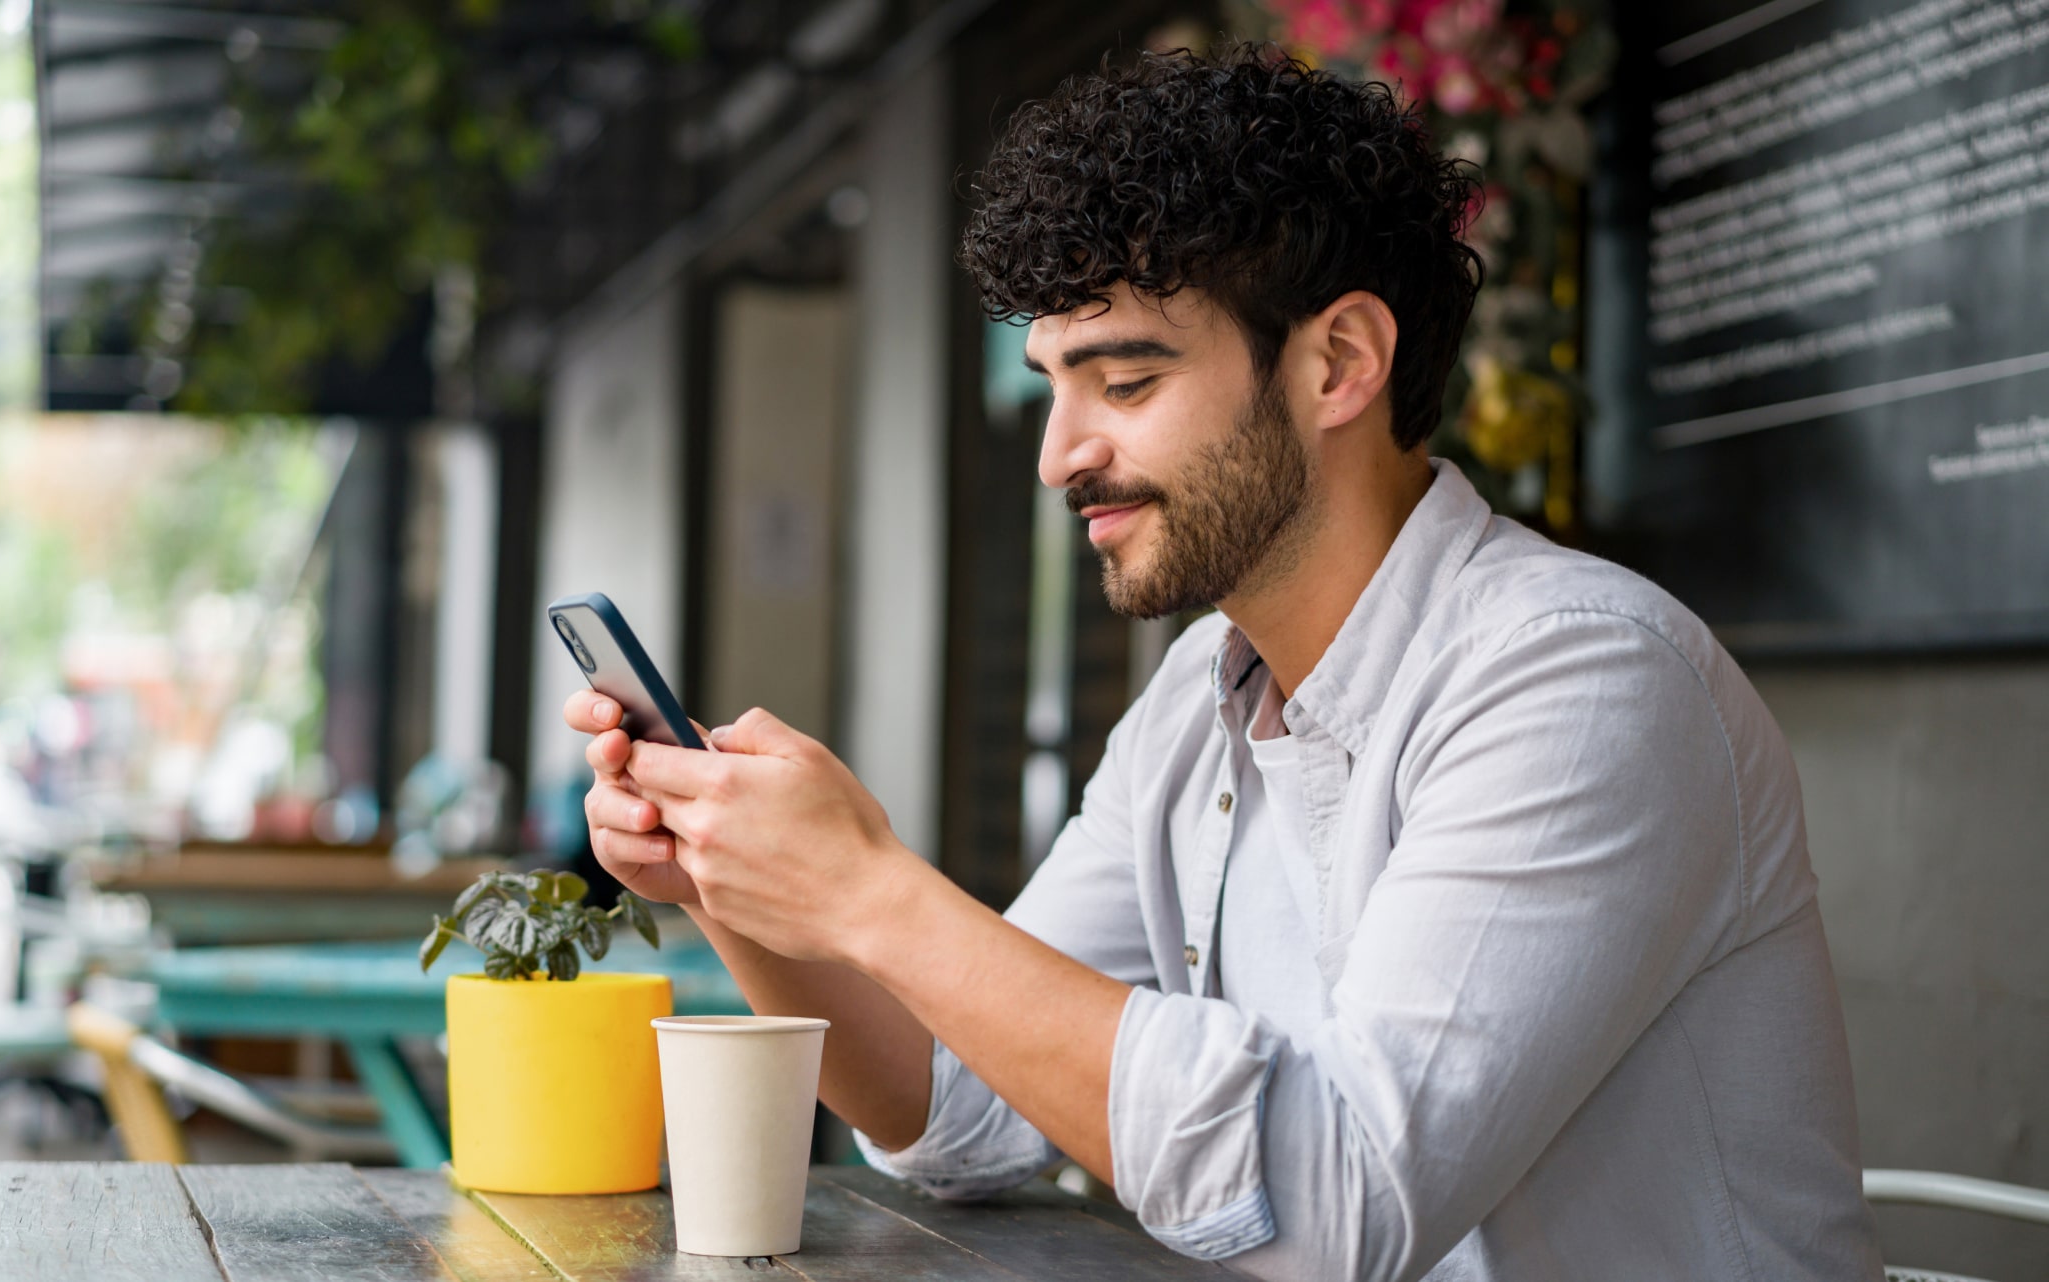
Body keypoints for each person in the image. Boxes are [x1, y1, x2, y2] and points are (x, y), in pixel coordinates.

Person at [566, 45, 1882, 1280]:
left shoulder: (1585, 680)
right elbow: (963, 1110)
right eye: (1049, 384)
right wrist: (742, 879)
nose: (1056, 454)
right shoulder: (1203, 699)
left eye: (1123, 382)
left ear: (1339, 362)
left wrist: (872, 892)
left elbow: (1337, 1204)